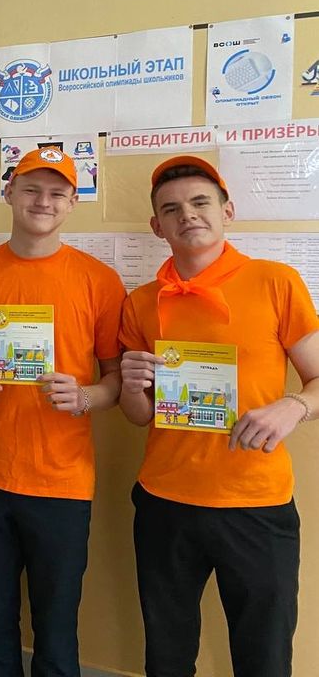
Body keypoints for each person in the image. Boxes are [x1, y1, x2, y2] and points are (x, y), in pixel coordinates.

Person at [119, 156, 319, 677]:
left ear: (227, 211)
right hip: (165, 502)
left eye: (200, 202)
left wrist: (293, 406)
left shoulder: (275, 282)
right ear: (157, 226)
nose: (187, 215)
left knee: (264, 657)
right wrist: (132, 385)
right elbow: (139, 416)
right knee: (166, 656)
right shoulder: (142, 302)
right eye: (171, 209)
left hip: (256, 503)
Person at [0, 148, 125, 677]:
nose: (44, 201)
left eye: (58, 193)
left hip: (62, 480)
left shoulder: (99, 280)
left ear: (73, 202)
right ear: (9, 193)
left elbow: (114, 379)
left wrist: (85, 396)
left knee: (57, 624)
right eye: (31, 189)